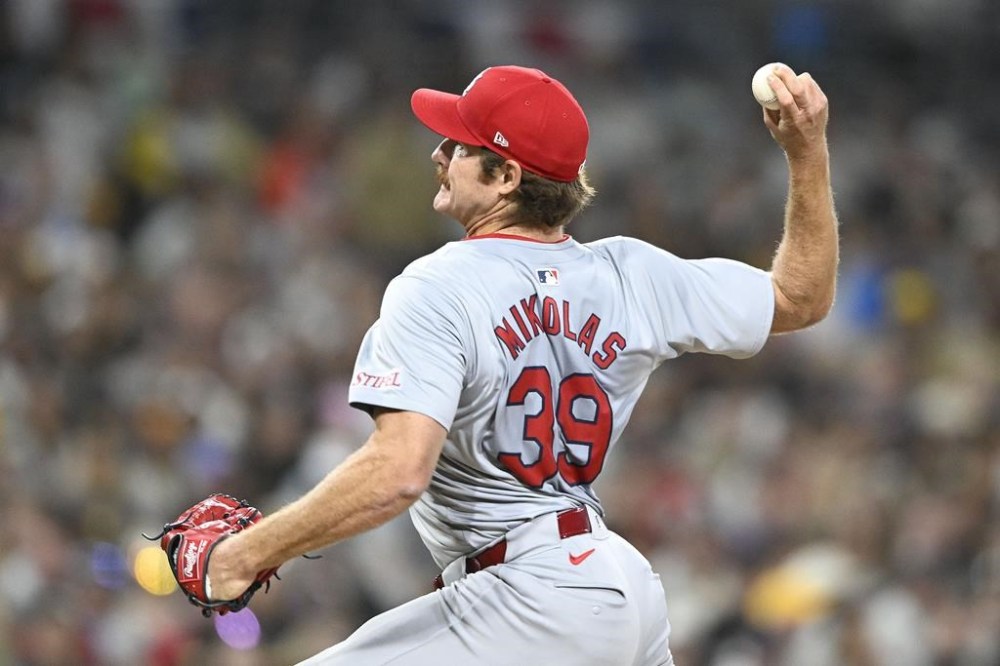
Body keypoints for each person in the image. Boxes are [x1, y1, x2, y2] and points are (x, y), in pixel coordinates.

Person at [206, 64, 837, 665]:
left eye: (458, 143)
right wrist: (807, 154)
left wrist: (242, 555)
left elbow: (397, 472)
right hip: (618, 586)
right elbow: (800, 297)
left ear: (505, 176)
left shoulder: (438, 285)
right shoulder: (631, 274)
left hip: (529, 598)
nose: (438, 155)